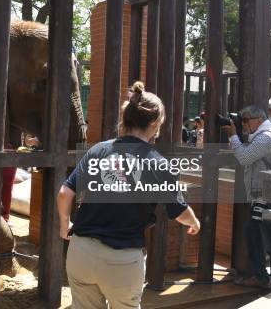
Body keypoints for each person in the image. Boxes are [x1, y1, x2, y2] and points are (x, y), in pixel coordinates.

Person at [58, 81, 200, 309]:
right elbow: (179, 211)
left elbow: (65, 193)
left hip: (81, 251)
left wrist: (64, 224)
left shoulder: (98, 150)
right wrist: (193, 221)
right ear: (155, 123)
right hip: (122, 260)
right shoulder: (159, 164)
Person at [222, 105, 271, 289]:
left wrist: (232, 136)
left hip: (267, 198)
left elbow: (245, 158)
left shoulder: (266, 137)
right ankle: (268, 279)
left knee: (270, 241)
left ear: (259, 120)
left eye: (246, 120)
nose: (243, 124)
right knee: (259, 236)